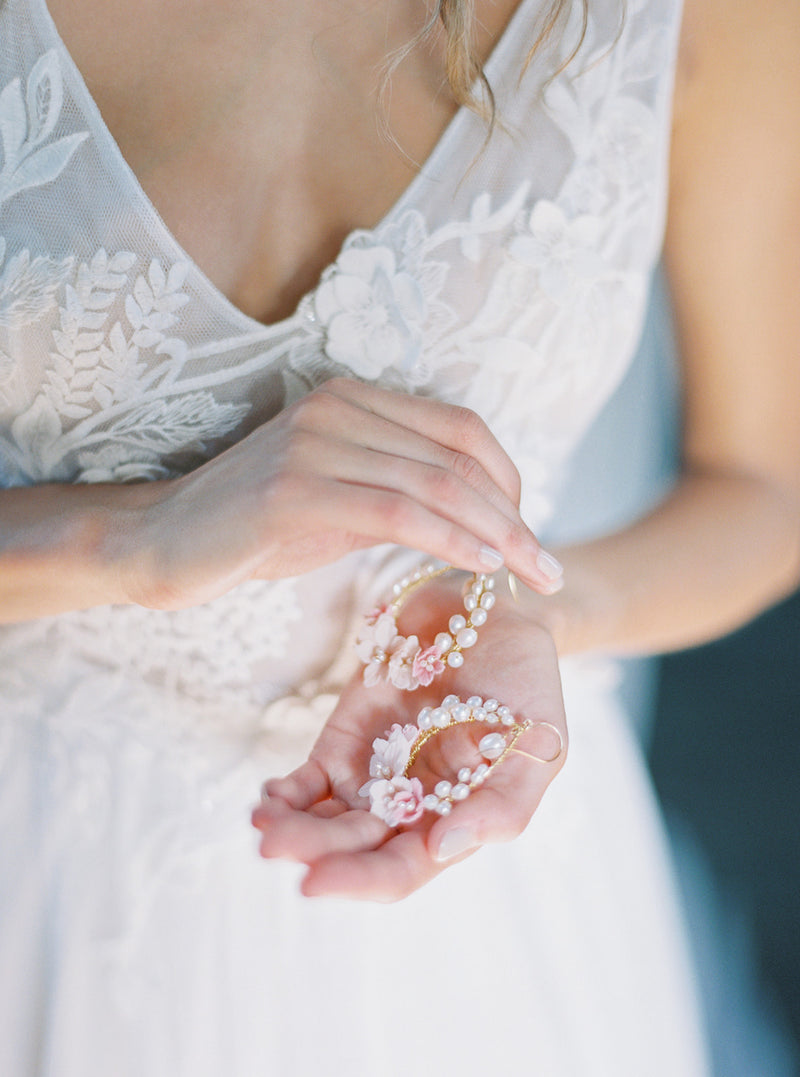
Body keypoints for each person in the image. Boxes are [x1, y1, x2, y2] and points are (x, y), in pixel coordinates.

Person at [0, 0, 797, 1073]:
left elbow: (762, 482)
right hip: (36, 865)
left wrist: (534, 610)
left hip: (474, 924)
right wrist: (124, 540)